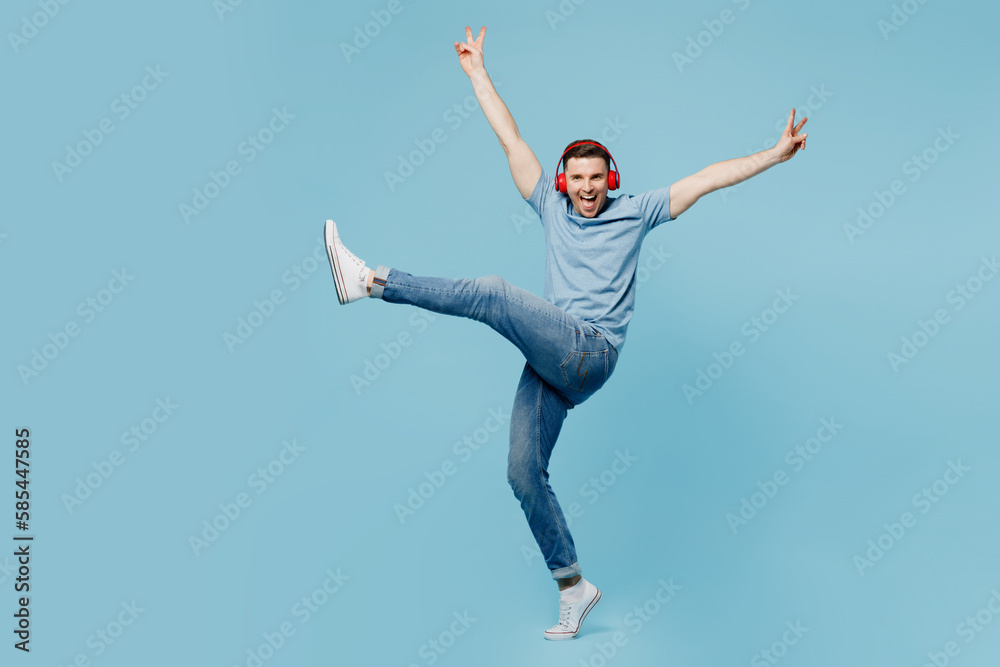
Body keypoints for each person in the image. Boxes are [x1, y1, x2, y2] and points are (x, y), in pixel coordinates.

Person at [325, 26, 807, 640]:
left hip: (591, 351)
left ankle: (371, 281)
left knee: (494, 293)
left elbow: (708, 178)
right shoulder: (550, 208)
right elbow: (511, 137)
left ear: (611, 178)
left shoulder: (638, 210)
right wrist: (477, 74)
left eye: (595, 178)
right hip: (555, 358)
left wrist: (773, 153)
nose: (585, 188)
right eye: (575, 178)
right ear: (562, 181)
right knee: (523, 472)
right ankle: (574, 586)